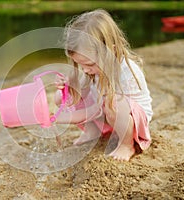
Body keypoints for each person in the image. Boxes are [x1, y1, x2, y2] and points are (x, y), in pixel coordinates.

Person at [55, 9, 153, 161]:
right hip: (107, 112)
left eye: (89, 64)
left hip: (132, 120)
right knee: (66, 95)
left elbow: (97, 111)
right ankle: (91, 132)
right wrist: (67, 89)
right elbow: (78, 98)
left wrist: (62, 118)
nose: (86, 70)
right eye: (81, 65)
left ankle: (126, 144)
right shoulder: (91, 70)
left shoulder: (126, 72)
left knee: (114, 103)